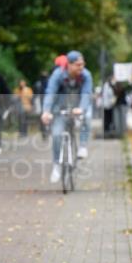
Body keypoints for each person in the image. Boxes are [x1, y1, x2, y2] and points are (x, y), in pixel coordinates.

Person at [41, 51, 93, 182]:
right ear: (69, 65)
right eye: (78, 65)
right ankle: (57, 165)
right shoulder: (58, 74)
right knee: (57, 134)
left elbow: (86, 94)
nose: (81, 67)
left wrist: (81, 109)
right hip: (60, 108)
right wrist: (46, 111)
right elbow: (50, 92)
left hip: (79, 105)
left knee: (87, 117)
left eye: (83, 64)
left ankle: (82, 145)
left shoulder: (86, 75)